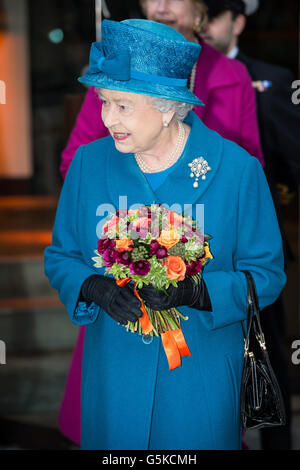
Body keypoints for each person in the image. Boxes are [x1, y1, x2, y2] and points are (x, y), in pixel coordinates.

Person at [45, 18, 286, 450]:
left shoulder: (237, 171)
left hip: (202, 377)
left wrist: (197, 292)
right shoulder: (88, 164)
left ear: (168, 106)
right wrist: (92, 286)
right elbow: (61, 255)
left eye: (122, 106)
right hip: (113, 373)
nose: (107, 119)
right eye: (104, 102)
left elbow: (266, 275)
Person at [202, 0, 299, 450]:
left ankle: (276, 441)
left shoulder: (272, 80)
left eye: (213, 18)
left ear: (238, 22)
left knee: (268, 349)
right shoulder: (188, 76)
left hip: (259, 239)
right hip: (203, 239)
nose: (203, 27)